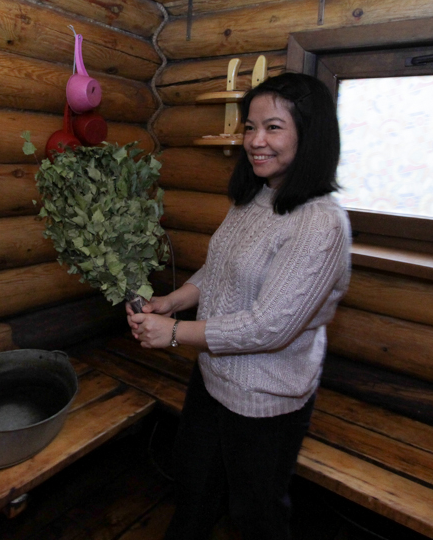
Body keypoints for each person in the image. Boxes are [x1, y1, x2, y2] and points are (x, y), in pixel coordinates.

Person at [127, 72, 351, 540]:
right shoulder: (255, 196)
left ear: (309, 135)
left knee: (255, 516)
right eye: (250, 127)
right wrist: (174, 300)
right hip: (213, 377)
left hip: (266, 398)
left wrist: (173, 333)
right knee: (194, 488)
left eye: (272, 127)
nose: (255, 141)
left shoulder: (320, 225)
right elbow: (220, 271)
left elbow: (270, 326)